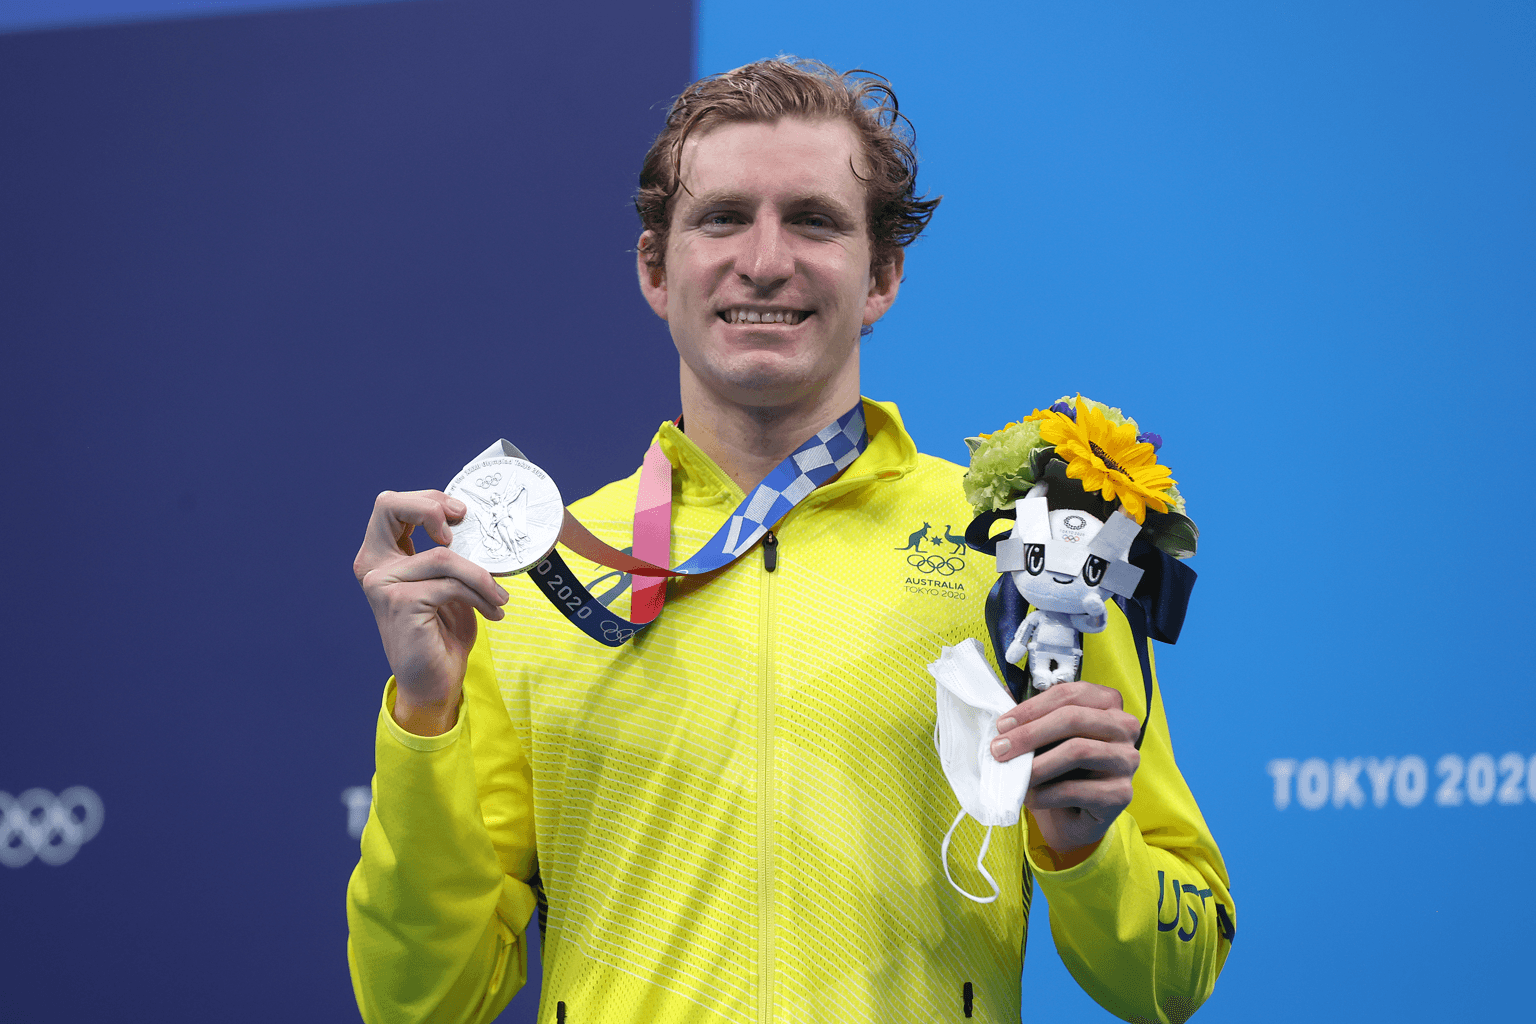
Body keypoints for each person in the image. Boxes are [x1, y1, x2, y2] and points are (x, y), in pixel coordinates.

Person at [348, 57, 1233, 1024]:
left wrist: (1085, 852)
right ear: (656, 268)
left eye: (813, 219)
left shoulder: (1026, 551)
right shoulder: (536, 577)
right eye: (722, 217)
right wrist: (426, 715)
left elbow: (1170, 980)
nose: (764, 261)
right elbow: (417, 1004)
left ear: (882, 273)